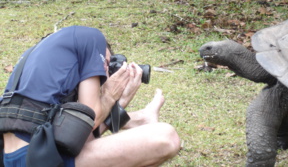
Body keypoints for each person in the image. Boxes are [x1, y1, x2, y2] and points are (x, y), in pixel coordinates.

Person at [1, 26, 181, 166]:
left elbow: (78, 140)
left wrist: (120, 101)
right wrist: (111, 95)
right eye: (107, 65)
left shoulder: (44, 63)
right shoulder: (92, 37)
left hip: (22, 157)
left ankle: (140, 119)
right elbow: (92, 119)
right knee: (166, 136)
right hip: (34, 157)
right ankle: (140, 119)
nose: (104, 74)